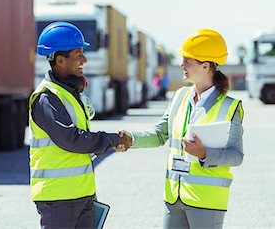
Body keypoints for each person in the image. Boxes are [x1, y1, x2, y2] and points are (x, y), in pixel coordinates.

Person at [118, 28, 244, 229]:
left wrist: (204, 154)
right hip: (173, 197)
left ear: (205, 66)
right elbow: (160, 135)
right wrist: (131, 139)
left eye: (187, 59)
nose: (181, 64)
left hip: (206, 201)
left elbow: (236, 155)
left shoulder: (230, 107)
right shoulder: (179, 97)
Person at [29, 21, 132, 229]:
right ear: (60, 60)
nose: (84, 59)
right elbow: (72, 140)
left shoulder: (68, 93)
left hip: (81, 194)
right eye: (78, 55)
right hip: (59, 198)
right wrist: (112, 140)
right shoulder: (47, 98)